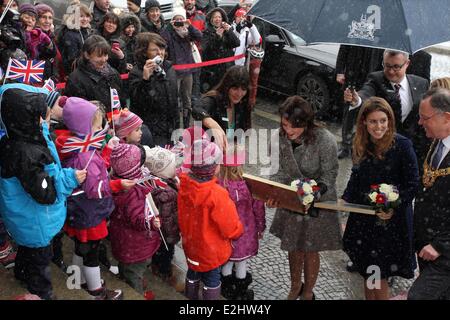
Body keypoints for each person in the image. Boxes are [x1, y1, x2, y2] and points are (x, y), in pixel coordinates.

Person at [0, 85, 85, 299]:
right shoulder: (27, 154)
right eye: (41, 118)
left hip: (25, 220)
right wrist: (69, 178)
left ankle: (21, 273)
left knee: (27, 251)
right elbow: (45, 193)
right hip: (37, 221)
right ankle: (42, 292)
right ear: (28, 120)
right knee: (40, 261)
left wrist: (43, 129)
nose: (45, 122)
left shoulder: (14, 140)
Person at [342, 97, 419, 300]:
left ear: (390, 121)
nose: (379, 126)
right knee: (369, 272)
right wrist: (344, 199)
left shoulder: (402, 146)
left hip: (390, 224)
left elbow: (413, 184)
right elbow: (355, 176)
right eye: (373, 121)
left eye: (383, 121)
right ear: (364, 123)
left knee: (380, 275)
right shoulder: (361, 144)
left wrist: (393, 205)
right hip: (365, 219)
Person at [267, 95, 341, 300]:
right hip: (292, 199)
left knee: (310, 248)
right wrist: (274, 192)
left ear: (307, 124)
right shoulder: (279, 137)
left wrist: (314, 192)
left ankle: (308, 293)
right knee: (294, 245)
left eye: (294, 126)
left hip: (318, 200)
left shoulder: (324, 139)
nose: (288, 130)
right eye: (284, 124)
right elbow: (278, 170)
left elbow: (330, 174)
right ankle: (294, 286)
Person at [59, 97, 123, 300]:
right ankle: (96, 291)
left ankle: (78, 279)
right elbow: (97, 188)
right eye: (97, 124)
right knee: (92, 253)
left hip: (79, 210)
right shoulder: (84, 155)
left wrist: (107, 149)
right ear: (85, 126)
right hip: (90, 212)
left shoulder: (76, 146)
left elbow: (94, 166)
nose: (101, 128)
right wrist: (118, 184)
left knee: (81, 245)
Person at [178, 139, 244, 300]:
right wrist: (238, 230)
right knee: (212, 278)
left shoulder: (184, 185)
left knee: (193, 270)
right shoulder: (216, 194)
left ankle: (190, 296)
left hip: (191, 244)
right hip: (211, 250)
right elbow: (229, 226)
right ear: (214, 169)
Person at [344, 50, 430, 166]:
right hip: (381, 150)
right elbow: (366, 93)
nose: (390, 71)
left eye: (396, 67)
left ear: (407, 64)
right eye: (387, 66)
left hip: (412, 151)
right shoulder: (376, 79)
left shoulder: (421, 83)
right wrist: (357, 100)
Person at [408, 88, 450, 300]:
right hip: (427, 245)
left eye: (425, 118)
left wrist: (440, 244)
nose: (420, 122)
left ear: (447, 118)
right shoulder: (435, 141)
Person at [109, 143, 161, 295]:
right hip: (136, 245)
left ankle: (128, 279)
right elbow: (137, 218)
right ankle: (135, 292)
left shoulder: (116, 183)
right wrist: (150, 222)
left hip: (123, 241)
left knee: (127, 267)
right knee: (134, 273)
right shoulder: (133, 193)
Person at [218, 145, 265, 300]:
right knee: (241, 264)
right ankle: (241, 292)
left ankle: (226, 288)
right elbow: (258, 208)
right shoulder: (248, 186)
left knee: (228, 261)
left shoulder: (219, 186)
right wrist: (260, 227)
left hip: (226, 233)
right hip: (245, 232)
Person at [129, 32, 179, 146]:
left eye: (161, 48)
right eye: (154, 50)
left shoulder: (168, 67)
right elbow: (138, 102)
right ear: (144, 52)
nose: (160, 53)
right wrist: (146, 79)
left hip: (170, 127)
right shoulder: (137, 72)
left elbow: (174, 99)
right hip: (152, 129)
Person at [335, 45, 384, 159]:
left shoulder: (381, 34)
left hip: (371, 78)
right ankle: (346, 145)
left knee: (368, 113)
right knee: (349, 111)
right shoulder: (355, 30)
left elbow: (382, 58)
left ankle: (362, 145)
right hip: (353, 76)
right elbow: (343, 49)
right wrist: (340, 71)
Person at [144, 146, 181, 289]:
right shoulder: (168, 194)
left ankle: (156, 265)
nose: (176, 168)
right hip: (166, 232)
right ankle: (164, 271)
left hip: (157, 232)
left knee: (157, 250)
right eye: (173, 166)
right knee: (166, 252)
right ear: (164, 171)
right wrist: (172, 233)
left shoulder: (154, 183)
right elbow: (167, 217)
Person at [192, 65, 250, 150]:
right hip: (204, 154)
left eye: (243, 89)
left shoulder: (242, 106)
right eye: (235, 88)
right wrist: (213, 125)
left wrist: (235, 147)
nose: (239, 93)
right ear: (227, 86)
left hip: (226, 157)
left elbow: (240, 135)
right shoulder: (214, 99)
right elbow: (196, 108)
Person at [163, 7, 202, 128]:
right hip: (174, 71)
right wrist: (170, 27)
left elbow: (199, 36)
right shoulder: (169, 32)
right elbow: (162, 41)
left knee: (187, 99)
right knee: (174, 99)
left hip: (187, 71)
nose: (179, 22)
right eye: (176, 20)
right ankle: (175, 123)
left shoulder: (187, 32)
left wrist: (189, 26)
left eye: (181, 19)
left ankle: (186, 124)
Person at [64, 35, 126, 110]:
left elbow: (122, 101)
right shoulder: (75, 79)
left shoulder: (113, 73)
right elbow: (78, 111)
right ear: (87, 55)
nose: (104, 59)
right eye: (99, 56)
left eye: (105, 55)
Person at [200, 7, 240, 93]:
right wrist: (217, 37)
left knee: (227, 92)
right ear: (211, 20)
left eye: (219, 17)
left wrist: (229, 31)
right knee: (214, 93)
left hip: (227, 69)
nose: (217, 19)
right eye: (215, 17)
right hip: (213, 71)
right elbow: (207, 49)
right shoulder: (206, 33)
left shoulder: (227, 31)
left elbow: (236, 43)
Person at [58, 0, 93, 75]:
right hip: (75, 73)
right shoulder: (70, 34)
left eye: (87, 16)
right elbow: (72, 59)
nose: (85, 19)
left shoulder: (85, 31)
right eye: (81, 16)